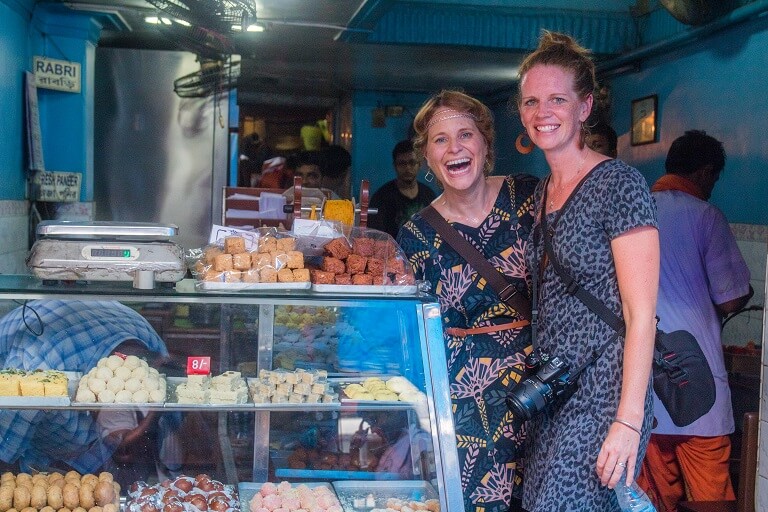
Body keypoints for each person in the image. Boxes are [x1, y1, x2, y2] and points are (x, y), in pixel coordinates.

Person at [516, 31, 659, 510]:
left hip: (605, 395)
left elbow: (642, 316)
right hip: (554, 391)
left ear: (584, 106)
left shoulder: (619, 183)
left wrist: (628, 420)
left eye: (557, 99)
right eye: (531, 101)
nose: (543, 113)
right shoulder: (540, 195)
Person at [397, 89, 538, 512]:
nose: (454, 148)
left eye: (465, 135)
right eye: (440, 140)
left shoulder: (529, 198)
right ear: (426, 156)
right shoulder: (415, 234)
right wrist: (413, 427)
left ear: (485, 144)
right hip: (466, 406)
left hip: (544, 388)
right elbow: (415, 338)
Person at [636, 130, 753, 511]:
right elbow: (731, 296)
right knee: (709, 496)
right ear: (705, 173)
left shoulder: (636, 210)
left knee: (653, 492)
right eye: (714, 179)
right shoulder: (706, 216)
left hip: (646, 382)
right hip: (699, 384)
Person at [0, 300, 172, 477]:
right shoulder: (38, 375)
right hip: (31, 334)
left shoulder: (155, 351)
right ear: (93, 396)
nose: (126, 453)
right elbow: (3, 454)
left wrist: (151, 417)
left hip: (90, 321)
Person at [369, 140, 437, 239]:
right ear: (395, 166)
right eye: (402, 163)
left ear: (419, 165)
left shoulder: (429, 195)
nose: (407, 168)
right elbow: (376, 237)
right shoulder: (381, 198)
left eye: (412, 162)